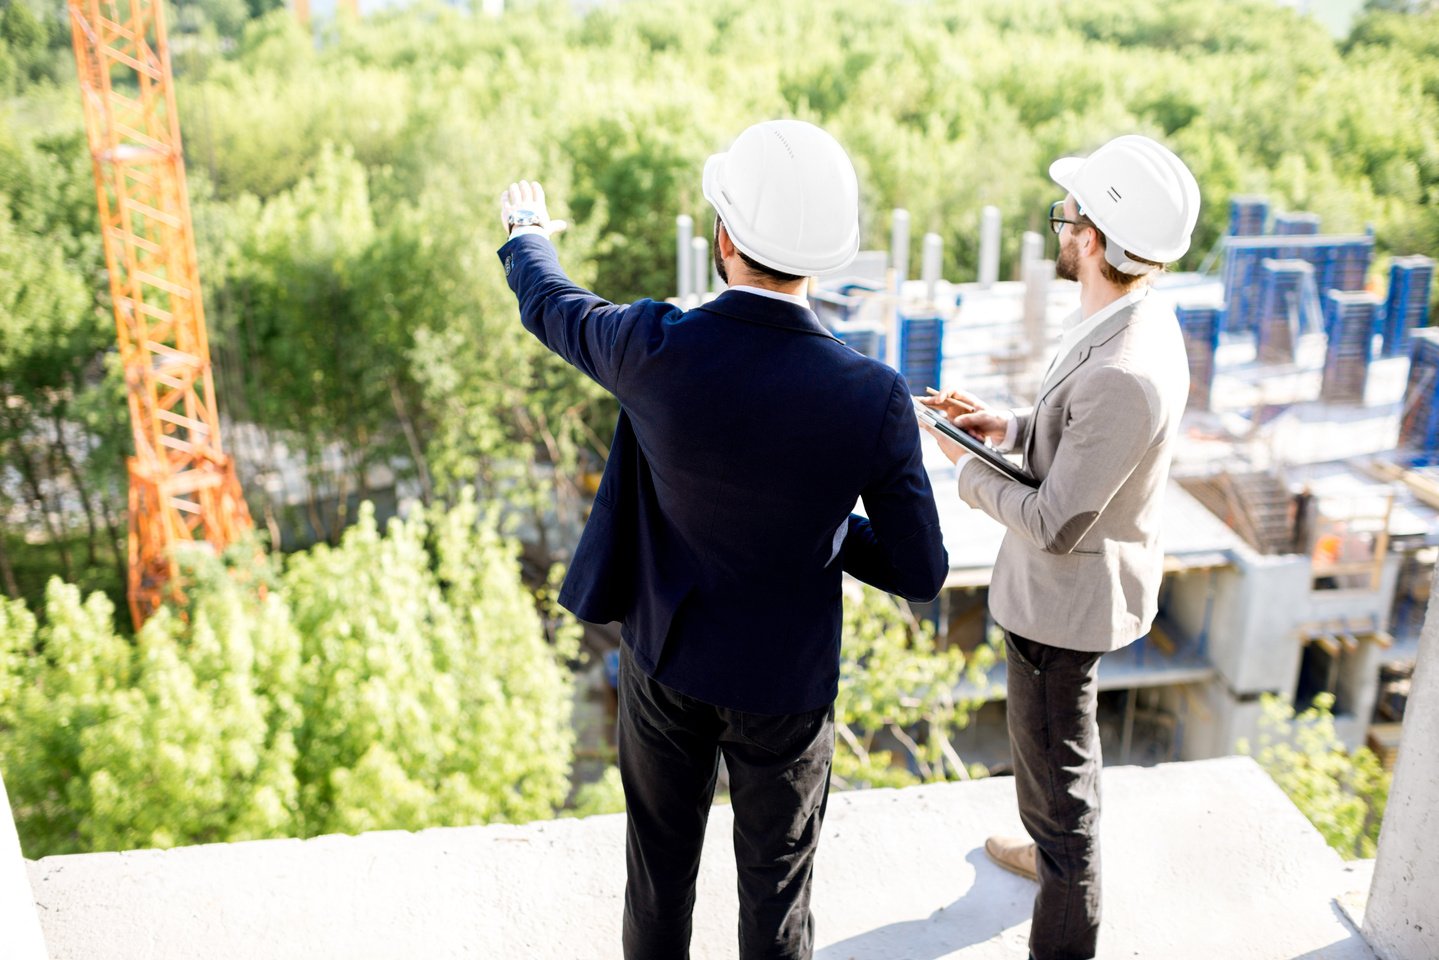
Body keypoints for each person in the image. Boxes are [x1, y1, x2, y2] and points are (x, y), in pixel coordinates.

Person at [496, 119, 948, 960]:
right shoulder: (871, 394)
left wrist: (528, 235)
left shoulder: (653, 349)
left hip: (667, 659)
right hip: (785, 686)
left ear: (724, 236)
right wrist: (823, 527)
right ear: (826, 255)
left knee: (658, 880)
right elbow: (919, 569)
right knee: (775, 899)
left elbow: (551, 304)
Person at [919, 134, 1200, 960]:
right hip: (1063, 599)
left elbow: (1054, 521)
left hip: (1061, 614)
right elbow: (1077, 444)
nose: (1059, 227)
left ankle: (1061, 893)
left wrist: (961, 468)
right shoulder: (1126, 318)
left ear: (1092, 240)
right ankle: (1044, 852)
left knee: (1063, 798)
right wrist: (1002, 427)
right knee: (1050, 765)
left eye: (1065, 217)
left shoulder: (1125, 368)